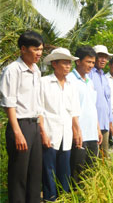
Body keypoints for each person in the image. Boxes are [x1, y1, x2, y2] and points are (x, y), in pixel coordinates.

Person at [0, 31, 44, 202]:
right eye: (35, 49)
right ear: (23, 49)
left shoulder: (37, 70)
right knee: (19, 175)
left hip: (34, 126)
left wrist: (40, 129)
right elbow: (9, 103)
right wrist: (17, 132)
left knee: (35, 173)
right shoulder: (12, 70)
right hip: (20, 125)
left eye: (40, 49)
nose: (39, 53)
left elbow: (38, 103)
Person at [39, 48, 81, 201]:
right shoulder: (44, 82)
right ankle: (50, 199)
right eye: (64, 63)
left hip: (66, 135)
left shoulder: (71, 85)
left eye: (69, 63)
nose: (68, 66)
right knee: (49, 171)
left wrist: (77, 132)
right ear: (54, 64)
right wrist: (43, 133)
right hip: (50, 133)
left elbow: (74, 112)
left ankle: (64, 198)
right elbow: (39, 110)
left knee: (65, 171)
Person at [67, 46, 103, 183]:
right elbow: (70, 109)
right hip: (78, 134)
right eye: (88, 62)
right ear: (78, 61)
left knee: (91, 170)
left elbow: (92, 107)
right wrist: (76, 131)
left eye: (93, 62)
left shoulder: (90, 81)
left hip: (92, 134)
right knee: (77, 171)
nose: (91, 65)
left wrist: (98, 129)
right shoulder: (70, 80)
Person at [89, 45, 113, 158]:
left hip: (105, 123)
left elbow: (108, 101)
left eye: (105, 57)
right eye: (100, 56)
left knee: (104, 156)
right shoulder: (89, 74)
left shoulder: (104, 76)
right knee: (93, 156)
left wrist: (110, 121)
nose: (103, 60)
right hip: (92, 123)